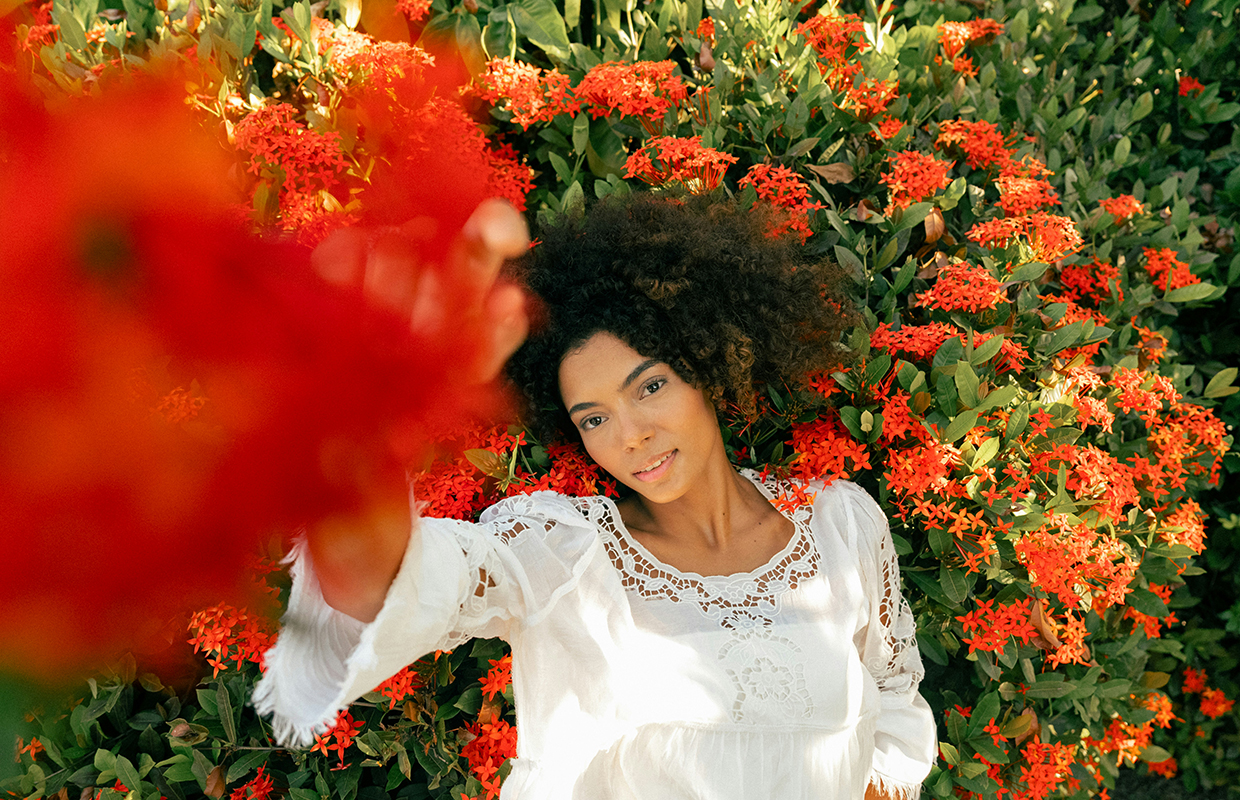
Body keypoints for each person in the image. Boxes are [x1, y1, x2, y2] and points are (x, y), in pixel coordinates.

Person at [255, 194, 937, 799]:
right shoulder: (567, 555)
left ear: (709, 363)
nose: (631, 436)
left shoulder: (841, 527)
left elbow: (893, 705)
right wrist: (373, 422)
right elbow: (385, 581)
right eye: (594, 418)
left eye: (650, 387)